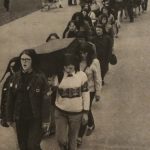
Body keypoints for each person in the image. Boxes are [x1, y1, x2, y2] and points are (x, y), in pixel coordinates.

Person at [6, 49, 50, 150]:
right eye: (22, 59)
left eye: (27, 59)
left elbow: (45, 101)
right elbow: (10, 99)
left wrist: (46, 120)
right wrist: (8, 117)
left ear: (33, 61)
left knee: (32, 145)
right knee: (23, 146)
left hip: (35, 118)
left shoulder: (40, 77)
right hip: (20, 117)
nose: (24, 62)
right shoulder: (15, 77)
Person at [55, 53, 90, 150]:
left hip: (76, 114)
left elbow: (86, 94)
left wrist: (86, 112)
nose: (68, 70)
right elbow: (53, 91)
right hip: (60, 112)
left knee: (73, 140)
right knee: (61, 139)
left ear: (75, 65)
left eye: (70, 68)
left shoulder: (82, 76)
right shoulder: (59, 75)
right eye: (66, 67)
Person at [77, 42, 102, 146]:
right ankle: (91, 123)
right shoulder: (77, 61)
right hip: (79, 89)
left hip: (90, 90)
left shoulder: (94, 62)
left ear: (89, 52)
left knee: (85, 109)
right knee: (86, 109)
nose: (83, 55)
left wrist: (98, 93)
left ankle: (79, 136)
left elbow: (98, 78)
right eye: (81, 52)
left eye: (85, 53)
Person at [0, 57, 19, 127]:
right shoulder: (8, 79)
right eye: (11, 67)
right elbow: (4, 98)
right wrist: (3, 115)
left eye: (14, 67)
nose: (12, 69)